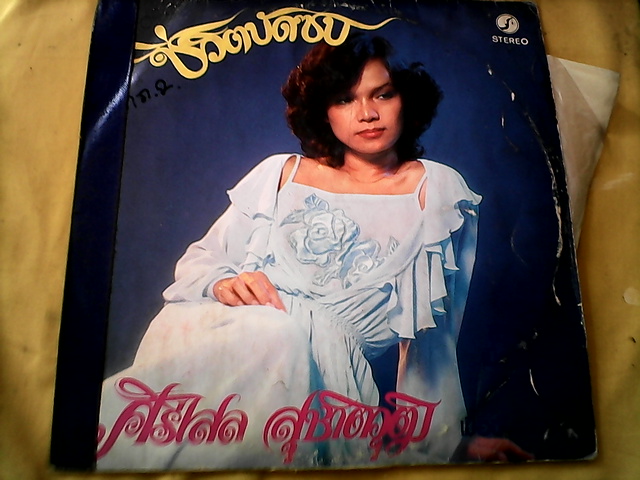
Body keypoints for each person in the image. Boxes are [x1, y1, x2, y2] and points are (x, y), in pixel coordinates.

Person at [97, 34, 526, 470]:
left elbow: (432, 342)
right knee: (266, 340)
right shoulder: (278, 174)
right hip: (232, 340)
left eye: (382, 94)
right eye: (345, 99)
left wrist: (444, 444)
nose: (367, 113)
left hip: (330, 387)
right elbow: (199, 265)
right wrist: (225, 284)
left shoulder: (437, 191)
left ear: (405, 99)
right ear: (324, 111)